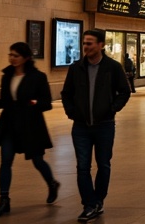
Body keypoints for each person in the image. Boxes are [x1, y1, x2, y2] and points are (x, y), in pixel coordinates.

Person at [60, 29, 132, 222]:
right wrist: (71, 112)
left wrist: (112, 109)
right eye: (84, 43)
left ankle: (98, 200)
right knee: (82, 166)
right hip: (81, 126)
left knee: (103, 164)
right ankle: (89, 204)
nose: (86, 47)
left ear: (101, 45)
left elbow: (124, 91)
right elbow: (66, 93)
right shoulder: (76, 68)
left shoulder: (112, 67)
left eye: (90, 43)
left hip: (104, 125)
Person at [0, 42, 58, 218]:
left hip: (30, 125)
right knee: (5, 161)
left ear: (26, 58)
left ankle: (52, 183)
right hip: (9, 124)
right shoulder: (7, 75)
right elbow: (8, 101)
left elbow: (46, 102)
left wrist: (35, 103)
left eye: (16, 55)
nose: (12, 58)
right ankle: (4, 200)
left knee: (37, 160)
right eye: (10, 54)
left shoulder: (38, 77)